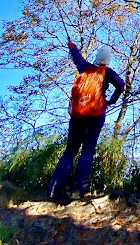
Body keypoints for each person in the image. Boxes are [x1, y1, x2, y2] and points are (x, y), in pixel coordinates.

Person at [47, 39, 125, 204]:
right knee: (87, 151)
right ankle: (78, 191)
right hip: (96, 115)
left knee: (69, 152)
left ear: (97, 58)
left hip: (77, 116)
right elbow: (121, 85)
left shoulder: (85, 67)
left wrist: (71, 46)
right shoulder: (107, 72)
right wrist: (110, 101)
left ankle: (54, 189)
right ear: (108, 61)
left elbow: (76, 57)